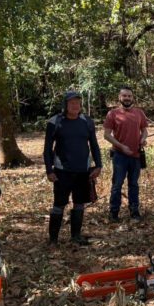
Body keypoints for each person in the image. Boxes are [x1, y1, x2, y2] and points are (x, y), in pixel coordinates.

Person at [43, 91, 102, 247]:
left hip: (83, 170)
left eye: (77, 103)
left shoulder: (87, 122)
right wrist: (49, 170)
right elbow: (47, 149)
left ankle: (76, 236)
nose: (75, 106)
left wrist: (98, 165)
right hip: (62, 171)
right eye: (71, 103)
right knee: (59, 205)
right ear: (65, 105)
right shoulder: (55, 122)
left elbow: (94, 145)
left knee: (79, 203)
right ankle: (53, 240)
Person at [104, 87, 148, 222]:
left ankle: (134, 211)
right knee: (117, 185)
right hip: (119, 156)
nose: (127, 98)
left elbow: (144, 131)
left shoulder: (139, 113)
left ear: (132, 97)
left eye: (129, 96)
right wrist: (121, 146)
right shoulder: (112, 114)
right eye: (124, 96)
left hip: (136, 155)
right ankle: (113, 213)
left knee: (133, 184)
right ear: (120, 97)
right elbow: (106, 135)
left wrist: (143, 139)